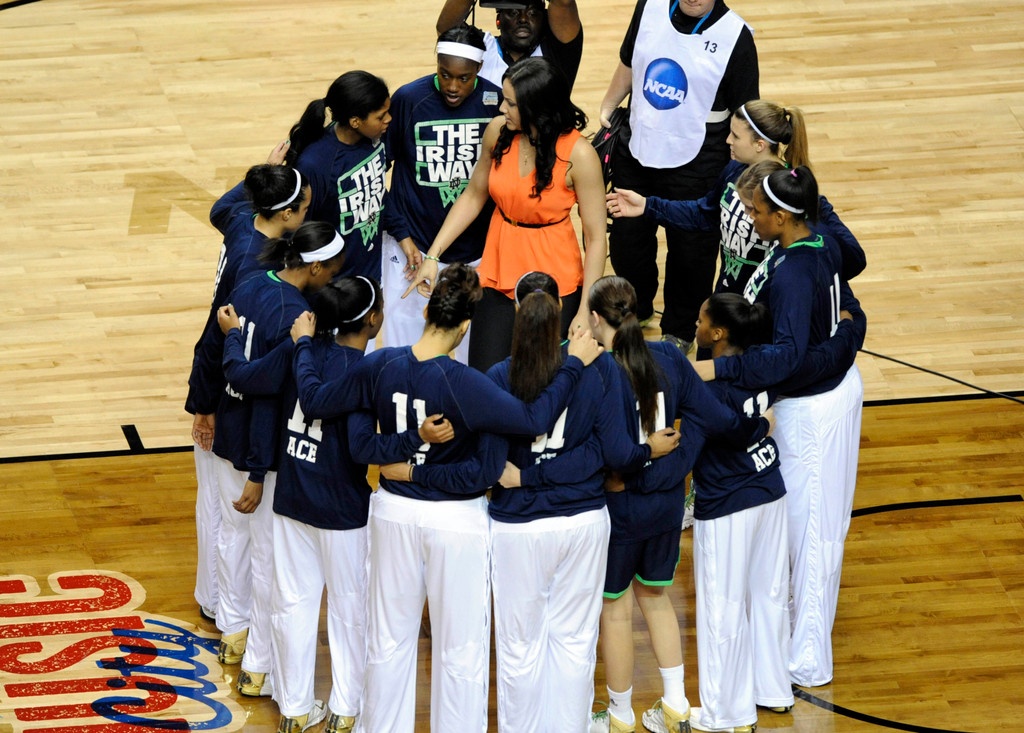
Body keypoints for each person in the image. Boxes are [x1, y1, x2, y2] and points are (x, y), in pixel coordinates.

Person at [346, 263, 603, 732]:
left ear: (427, 310)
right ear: (465, 328)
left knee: (387, 641)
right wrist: (573, 365)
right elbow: (532, 421)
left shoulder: (378, 364)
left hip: (392, 513)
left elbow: (360, 446)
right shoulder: (468, 384)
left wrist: (410, 463)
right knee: (459, 651)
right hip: (454, 524)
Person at [251, 277, 454, 733]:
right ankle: (344, 712)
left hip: (292, 498)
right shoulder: (366, 372)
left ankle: (295, 710)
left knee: (292, 606)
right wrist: (413, 439)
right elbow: (364, 449)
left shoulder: (301, 351)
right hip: (342, 510)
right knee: (348, 612)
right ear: (375, 319)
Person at [484, 271, 680, 733]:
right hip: (582, 523)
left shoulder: (497, 374)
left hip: (518, 528)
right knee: (574, 642)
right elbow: (613, 454)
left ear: (518, 312)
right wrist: (575, 462)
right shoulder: (601, 369)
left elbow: (493, 464)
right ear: (562, 317)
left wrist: (527, 477)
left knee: (519, 646)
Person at [696, 167, 866, 689]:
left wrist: (718, 368)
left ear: (784, 216)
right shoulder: (820, 241)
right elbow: (850, 315)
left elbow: (787, 358)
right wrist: (844, 340)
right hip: (829, 393)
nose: (751, 217)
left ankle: (807, 660)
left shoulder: (794, 271)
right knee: (807, 529)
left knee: (812, 535)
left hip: (815, 411)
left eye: (757, 212)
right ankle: (791, 641)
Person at [584, 276, 771, 733]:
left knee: (616, 607)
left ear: (594, 318)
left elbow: (600, 450)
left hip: (621, 506)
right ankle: (674, 706)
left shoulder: (594, 372)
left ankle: (622, 714)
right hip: (667, 506)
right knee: (657, 597)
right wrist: (756, 428)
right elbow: (717, 419)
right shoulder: (668, 354)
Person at [209, 220, 346, 698]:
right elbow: (267, 396)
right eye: (333, 269)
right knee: (268, 559)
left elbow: (218, 348)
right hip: (257, 451)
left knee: (232, 538)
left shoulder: (250, 283)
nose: (335, 277)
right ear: (313, 267)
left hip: (228, 434)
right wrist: (257, 472)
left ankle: (232, 635)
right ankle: (258, 666)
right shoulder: (296, 315)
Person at [406, 57, 607, 372]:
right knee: (485, 374)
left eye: (511, 103)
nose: (501, 108)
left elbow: (595, 239)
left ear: (535, 108)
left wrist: (585, 310)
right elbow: (473, 195)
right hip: (498, 271)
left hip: (555, 280)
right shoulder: (498, 131)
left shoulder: (580, 155)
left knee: (546, 379)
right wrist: (433, 256)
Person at [185, 161, 310, 623]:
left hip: (224, 382)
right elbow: (217, 335)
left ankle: (214, 599)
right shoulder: (259, 265)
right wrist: (204, 404)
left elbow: (220, 207)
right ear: (286, 216)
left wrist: (263, 172)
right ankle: (221, 605)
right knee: (227, 513)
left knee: (218, 509)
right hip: (225, 388)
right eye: (305, 207)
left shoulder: (243, 219)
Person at [600, 0, 759, 351]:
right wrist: (610, 105)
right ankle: (635, 310)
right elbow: (631, 60)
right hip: (637, 146)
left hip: (699, 159)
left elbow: (745, 110)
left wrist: (742, 165)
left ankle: (681, 329)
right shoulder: (649, 7)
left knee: (691, 252)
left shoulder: (737, 36)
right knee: (627, 242)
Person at [380, 24, 502, 360]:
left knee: (465, 358)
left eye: (463, 78)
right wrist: (402, 235)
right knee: (401, 352)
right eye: (444, 73)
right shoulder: (407, 99)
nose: (451, 85)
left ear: (479, 69)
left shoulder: (497, 102)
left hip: (474, 250)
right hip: (411, 249)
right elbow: (377, 174)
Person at [606, 100, 811, 296]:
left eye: (735, 136)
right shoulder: (735, 169)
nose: (727, 140)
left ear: (760, 145)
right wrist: (647, 205)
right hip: (728, 295)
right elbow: (705, 214)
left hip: (764, 308)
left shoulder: (790, 192)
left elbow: (819, 249)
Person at [284, 71, 391, 282]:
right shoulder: (316, 164)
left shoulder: (374, 138)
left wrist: (403, 235)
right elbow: (297, 233)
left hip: (372, 271)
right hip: (336, 287)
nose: (389, 119)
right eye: (380, 116)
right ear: (355, 122)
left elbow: (377, 192)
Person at [436, 0, 584, 89]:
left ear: (544, 19)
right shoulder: (482, 46)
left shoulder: (558, 50)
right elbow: (446, 29)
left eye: (532, 13)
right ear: (498, 20)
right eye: (513, 13)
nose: (523, 19)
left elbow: (564, 3)